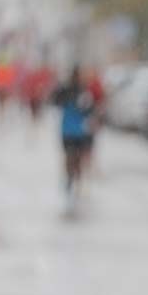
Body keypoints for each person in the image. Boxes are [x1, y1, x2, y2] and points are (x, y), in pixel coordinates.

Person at [52, 66, 95, 199]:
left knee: (74, 159)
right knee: (73, 158)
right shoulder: (68, 90)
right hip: (72, 130)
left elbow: (89, 110)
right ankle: (73, 180)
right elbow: (55, 101)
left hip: (76, 131)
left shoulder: (83, 91)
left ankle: (74, 181)